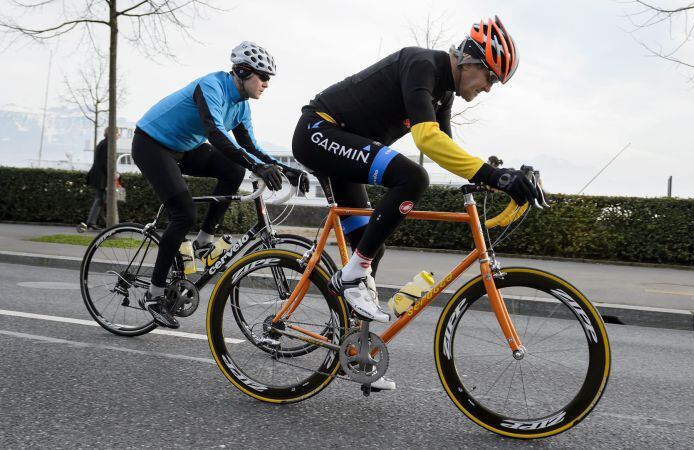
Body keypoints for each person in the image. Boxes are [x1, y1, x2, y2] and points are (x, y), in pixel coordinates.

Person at [292, 16, 538, 389]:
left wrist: (489, 177)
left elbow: (446, 147)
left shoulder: (444, 93)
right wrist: (491, 176)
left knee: (372, 249)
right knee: (412, 178)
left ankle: (355, 356)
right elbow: (426, 140)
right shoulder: (424, 64)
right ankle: (350, 274)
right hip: (318, 130)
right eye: (490, 78)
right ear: (471, 62)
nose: (488, 88)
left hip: (342, 145)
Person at [132, 41, 308, 329]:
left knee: (234, 169)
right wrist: (258, 166)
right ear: (241, 71)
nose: (266, 83)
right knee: (183, 213)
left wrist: (288, 170)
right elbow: (214, 132)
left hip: (185, 147)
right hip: (151, 143)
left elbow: (250, 147)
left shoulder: (242, 107)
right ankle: (154, 294)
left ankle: (203, 241)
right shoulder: (211, 86)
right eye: (262, 76)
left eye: (269, 78)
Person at [81, 127, 118, 230]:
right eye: (117, 133)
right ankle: (91, 222)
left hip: (97, 175)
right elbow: (105, 163)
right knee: (99, 200)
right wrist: (112, 175)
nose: (118, 136)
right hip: (100, 176)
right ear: (113, 134)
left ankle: (101, 222)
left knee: (101, 200)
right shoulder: (108, 144)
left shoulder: (103, 143)